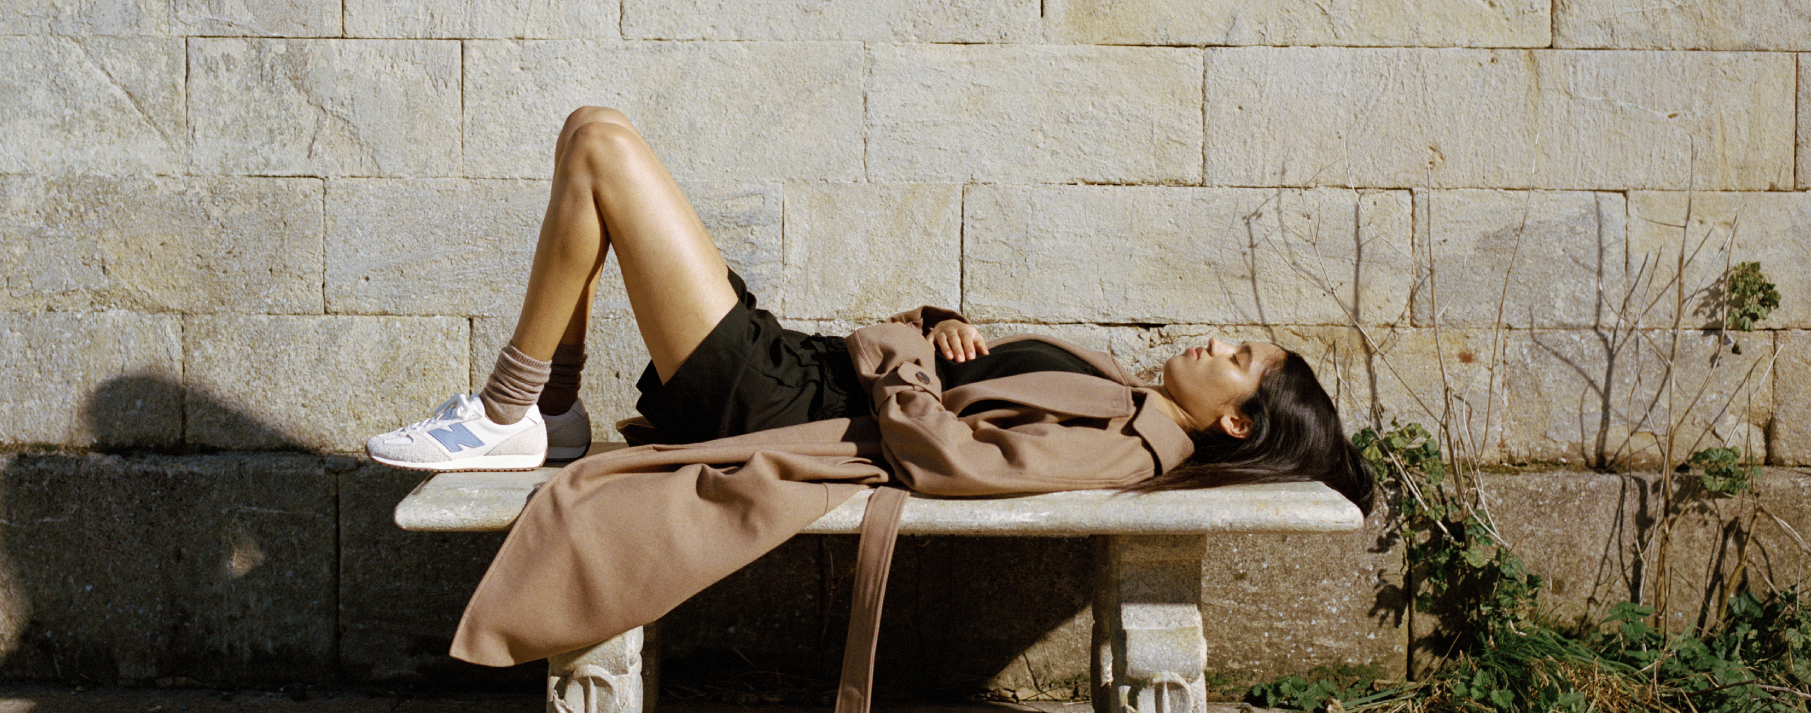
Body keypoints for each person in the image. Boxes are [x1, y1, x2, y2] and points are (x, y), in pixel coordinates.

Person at [366, 106, 1375, 514]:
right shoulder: (1126, 399)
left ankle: (508, 412)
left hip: (782, 404)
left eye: (1239, 358)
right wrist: (941, 328)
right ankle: (545, 414)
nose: (1217, 341)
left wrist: (906, 360)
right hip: (793, 373)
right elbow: (969, 397)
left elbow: (954, 460)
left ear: (1235, 420)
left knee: (602, 150)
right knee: (589, 138)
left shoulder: (1133, 444)